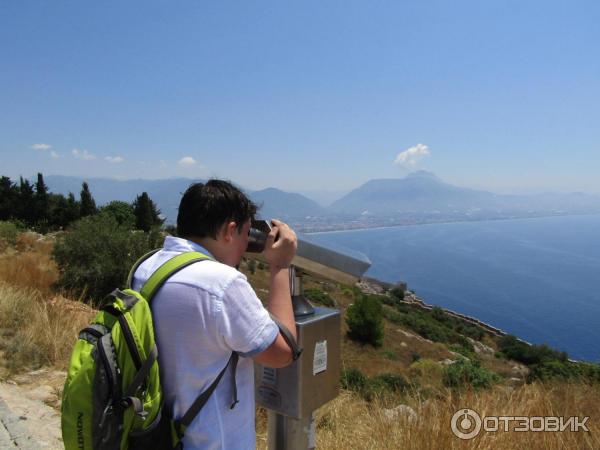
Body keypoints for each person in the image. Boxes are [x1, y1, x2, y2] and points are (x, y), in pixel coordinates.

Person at [131, 179, 298, 449]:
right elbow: (282, 352)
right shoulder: (221, 283)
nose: (246, 247)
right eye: (246, 234)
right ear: (230, 231)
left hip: (155, 435)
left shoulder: (147, 268)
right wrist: (280, 267)